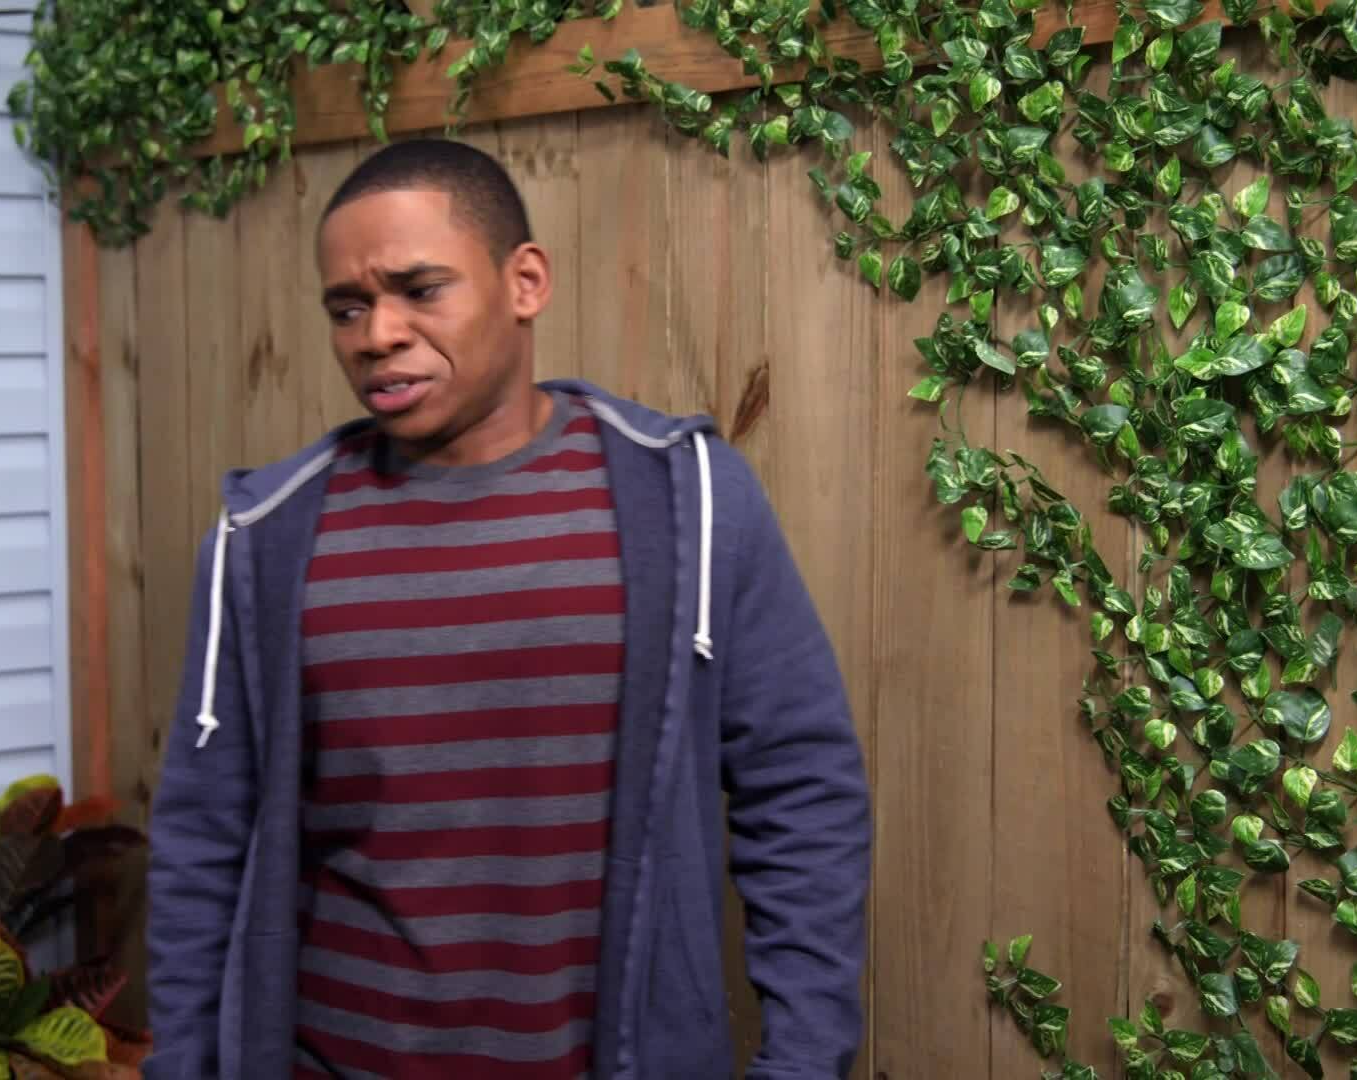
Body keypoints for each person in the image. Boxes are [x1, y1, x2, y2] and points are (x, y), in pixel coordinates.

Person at [141, 137, 872, 1080]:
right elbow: (203, 845)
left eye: (420, 289)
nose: (377, 334)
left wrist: (804, 1061)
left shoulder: (685, 501)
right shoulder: (269, 537)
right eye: (348, 307)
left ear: (525, 282)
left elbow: (801, 787)